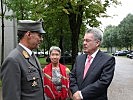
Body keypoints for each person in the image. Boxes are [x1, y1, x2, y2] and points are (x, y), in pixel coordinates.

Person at [0, 20, 46, 100]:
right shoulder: (13, 60)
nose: (41, 39)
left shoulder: (32, 56)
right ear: (28, 34)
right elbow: (11, 97)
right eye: (39, 35)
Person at [70, 28, 115, 100]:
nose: (84, 43)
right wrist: (75, 92)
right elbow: (72, 76)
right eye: (84, 40)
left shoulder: (108, 60)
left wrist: (82, 94)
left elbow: (103, 82)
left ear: (97, 43)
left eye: (87, 41)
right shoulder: (79, 58)